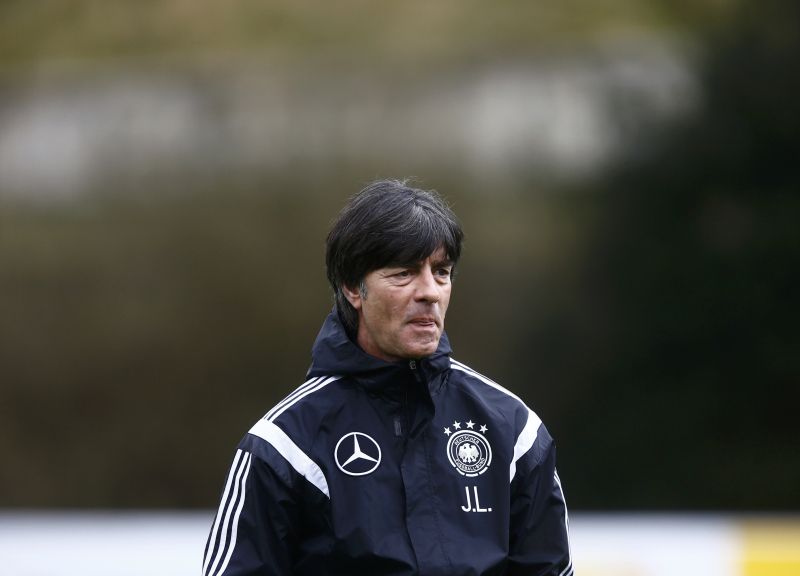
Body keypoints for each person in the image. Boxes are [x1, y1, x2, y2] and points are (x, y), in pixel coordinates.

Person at [202, 179, 572, 576]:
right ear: (352, 287)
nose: (429, 291)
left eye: (441, 272)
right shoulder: (287, 444)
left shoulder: (512, 428)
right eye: (404, 274)